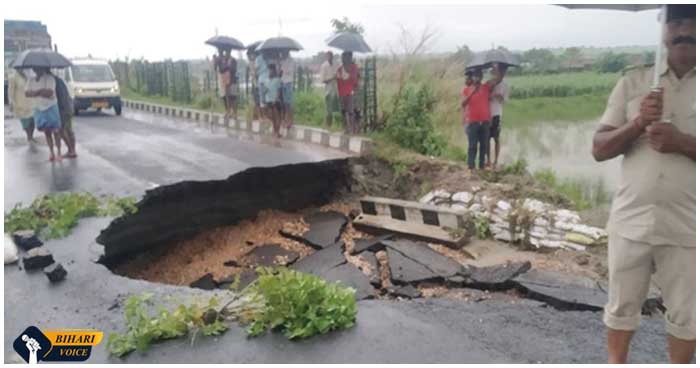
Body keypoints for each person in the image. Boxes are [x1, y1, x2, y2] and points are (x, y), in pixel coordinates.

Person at [591, 4, 695, 364]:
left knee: (687, 316)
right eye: (676, 21)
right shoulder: (634, 82)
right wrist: (637, 123)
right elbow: (599, 149)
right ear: (663, 28)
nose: (684, 29)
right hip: (631, 220)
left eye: (692, 20)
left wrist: (683, 142)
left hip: (688, 225)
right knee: (621, 307)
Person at [462, 66, 504, 170]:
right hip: (473, 122)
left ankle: (481, 167)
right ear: (473, 77)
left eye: (479, 76)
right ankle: (471, 167)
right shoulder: (467, 90)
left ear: (481, 77)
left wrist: (496, 68)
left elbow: (497, 80)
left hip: (485, 122)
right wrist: (472, 92)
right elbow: (463, 104)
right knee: (472, 146)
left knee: (484, 146)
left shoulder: (486, 87)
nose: (477, 78)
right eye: (475, 76)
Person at [25, 67, 62, 161]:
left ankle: (59, 152)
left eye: (38, 67)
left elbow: (49, 92)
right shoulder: (31, 79)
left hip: (51, 107)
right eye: (34, 67)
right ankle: (51, 152)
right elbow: (27, 93)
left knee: (56, 131)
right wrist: (40, 91)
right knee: (47, 132)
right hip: (38, 108)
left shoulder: (50, 78)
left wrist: (35, 92)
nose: (36, 69)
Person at [486, 63, 509, 169]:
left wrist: (499, 97)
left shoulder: (505, 85)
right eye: (500, 71)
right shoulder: (489, 83)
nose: (502, 74)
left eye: (504, 72)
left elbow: (504, 102)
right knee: (486, 138)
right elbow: (484, 97)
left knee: (496, 138)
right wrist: (491, 89)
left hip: (497, 114)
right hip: (487, 114)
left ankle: (496, 161)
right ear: (496, 71)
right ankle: (488, 161)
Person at [7, 69, 36, 143]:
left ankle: (31, 136)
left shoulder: (29, 75)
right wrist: (11, 102)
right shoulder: (12, 77)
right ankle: (29, 137)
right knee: (25, 122)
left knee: (32, 122)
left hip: (31, 102)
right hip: (20, 104)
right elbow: (10, 91)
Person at [336, 51, 360, 134]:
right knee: (343, 111)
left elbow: (355, 81)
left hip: (350, 92)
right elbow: (338, 81)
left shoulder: (354, 67)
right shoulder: (340, 69)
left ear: (350, 58)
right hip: (342, 92)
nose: (344, 59)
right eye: (343, 57)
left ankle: (353, 129)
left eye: (345, 57)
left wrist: (349, 76)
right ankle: (346, 128)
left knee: (351, 111)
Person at [54, 72, 76, 158]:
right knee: (67, 130)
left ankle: (71, 150)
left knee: (63, 130)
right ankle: (72, 150)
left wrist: (62, 111)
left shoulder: (57, 82)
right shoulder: (58, 81)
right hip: (67, 108)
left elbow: (62, 99)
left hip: (65, 109)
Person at [264, 63, 283, 138]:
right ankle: (275, 130)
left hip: (275, 101)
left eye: (271, 70)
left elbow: (279, 91)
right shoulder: (266, 81)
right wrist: (265, 91)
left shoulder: (277, 80)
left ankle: (277, 132)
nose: (269, 72)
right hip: (268, 101)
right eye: (268, 70)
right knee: (271, 117)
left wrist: (276, 99)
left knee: (277, 117)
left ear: (274, 71)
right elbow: (265, 90)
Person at [319, 51, 337, 126]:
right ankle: (327, 125)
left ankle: (330, 125)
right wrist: (332, 78)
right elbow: (323, 80)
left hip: (334, 89)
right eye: (329, 56)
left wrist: (335, 77)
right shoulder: (324, 66)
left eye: (331, 56)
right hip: (328, 90)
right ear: (327, 57)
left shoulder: (333, 65)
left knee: (332, 109)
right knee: (328, 109)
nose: (331, 57)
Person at [279, 50, 295, 128]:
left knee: (289, 103)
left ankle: (291, 120)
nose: (282, 53)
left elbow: (289, 71)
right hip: (283, 82)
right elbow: (281, 72)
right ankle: (286, 119)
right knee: (285, 103)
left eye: (283, 52)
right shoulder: (282, 60)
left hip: (288, 82)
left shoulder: (291, 60)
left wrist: (283, 69)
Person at [247, 49, 262, 120]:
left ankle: (256, 115)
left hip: (256, 83)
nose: (250, 56)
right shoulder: (252, 62)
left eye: (251, 55)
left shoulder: (255, 62)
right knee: (256, 99)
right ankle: (256, 115)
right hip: (255, 83)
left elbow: (254, 73)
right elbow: (254, 73)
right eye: (250, 55)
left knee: (257, 99)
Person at [256, 50, 270, 122]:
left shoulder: (269, 58)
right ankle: (263, 116)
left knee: (267, 99)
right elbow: (256, 70)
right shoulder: (258, 58)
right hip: (261, 80)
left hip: (268, 81)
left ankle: (267, 116)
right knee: (262, 99)